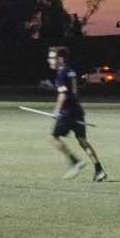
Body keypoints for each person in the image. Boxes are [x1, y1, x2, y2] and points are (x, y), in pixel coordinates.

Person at [43, 46, 106, 180]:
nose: (49, 60)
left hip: (66, 112)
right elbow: (74, 91)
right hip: (77, 110)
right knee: (82, 140)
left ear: (60, 59)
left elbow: (63, 95)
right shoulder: (71, 71)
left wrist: (57, 111)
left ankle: (74, 162)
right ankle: (99, 169)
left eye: (52, 57)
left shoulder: (61, 72)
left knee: (52, 137)